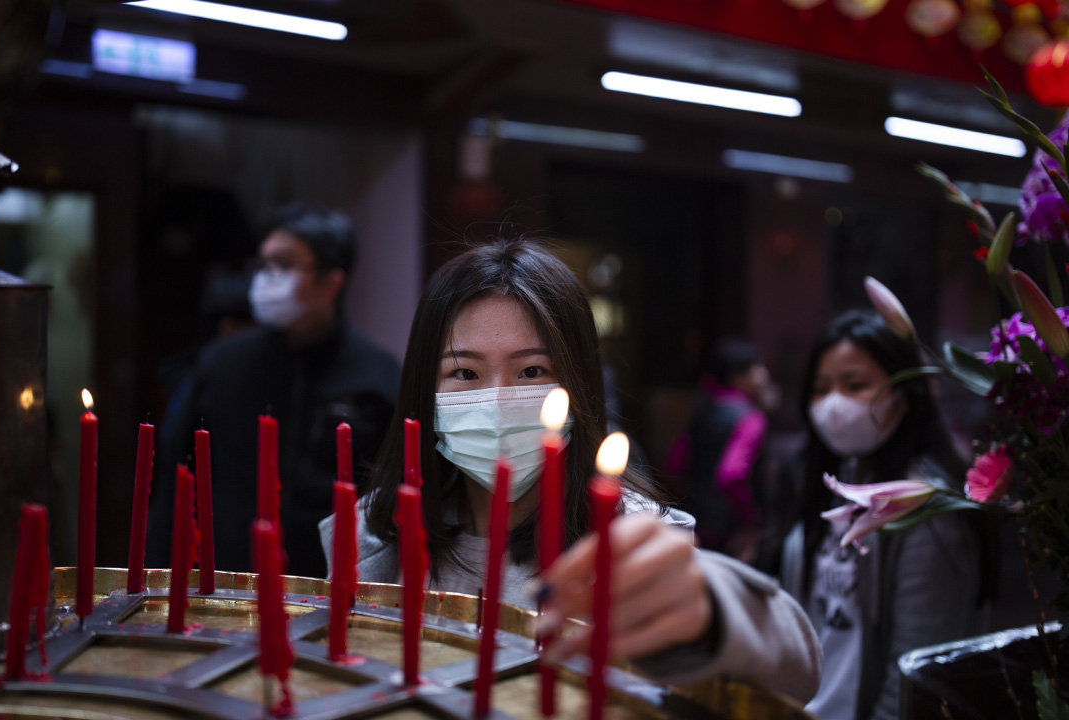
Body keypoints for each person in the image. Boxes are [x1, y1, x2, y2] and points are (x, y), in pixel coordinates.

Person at [319, 237, 820, 701]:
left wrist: (713, 608)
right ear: (424, 393)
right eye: (464, 373)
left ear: (577, 387)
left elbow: (796, 674)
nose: (496, 399)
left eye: (533, 371)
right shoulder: (377, 532)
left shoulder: (628, 538)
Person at [148, 202, 400, 578]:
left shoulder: (376, 376)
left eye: (283, 265)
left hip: (329, 586)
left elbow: (390, 495)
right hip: (229, 582)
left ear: (331, 282)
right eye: (263, 265)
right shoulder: (222, 364)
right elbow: (175, 472)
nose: (267, 278)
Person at [780, 309, 996, 720]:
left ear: (903, 392)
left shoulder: (927, 511)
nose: (833, 403)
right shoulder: (833, 481)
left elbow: (914, 679)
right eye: (821, 388)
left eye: (855, 384)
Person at [668, 339, 770, 562]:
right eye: (757, 367)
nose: (764, 374)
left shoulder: (704, 408)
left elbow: (675, 464)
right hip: (729, 531)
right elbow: (732, 476)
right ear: (738, 375)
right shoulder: (750, 418)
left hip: (693, 519)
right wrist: (749, 524)